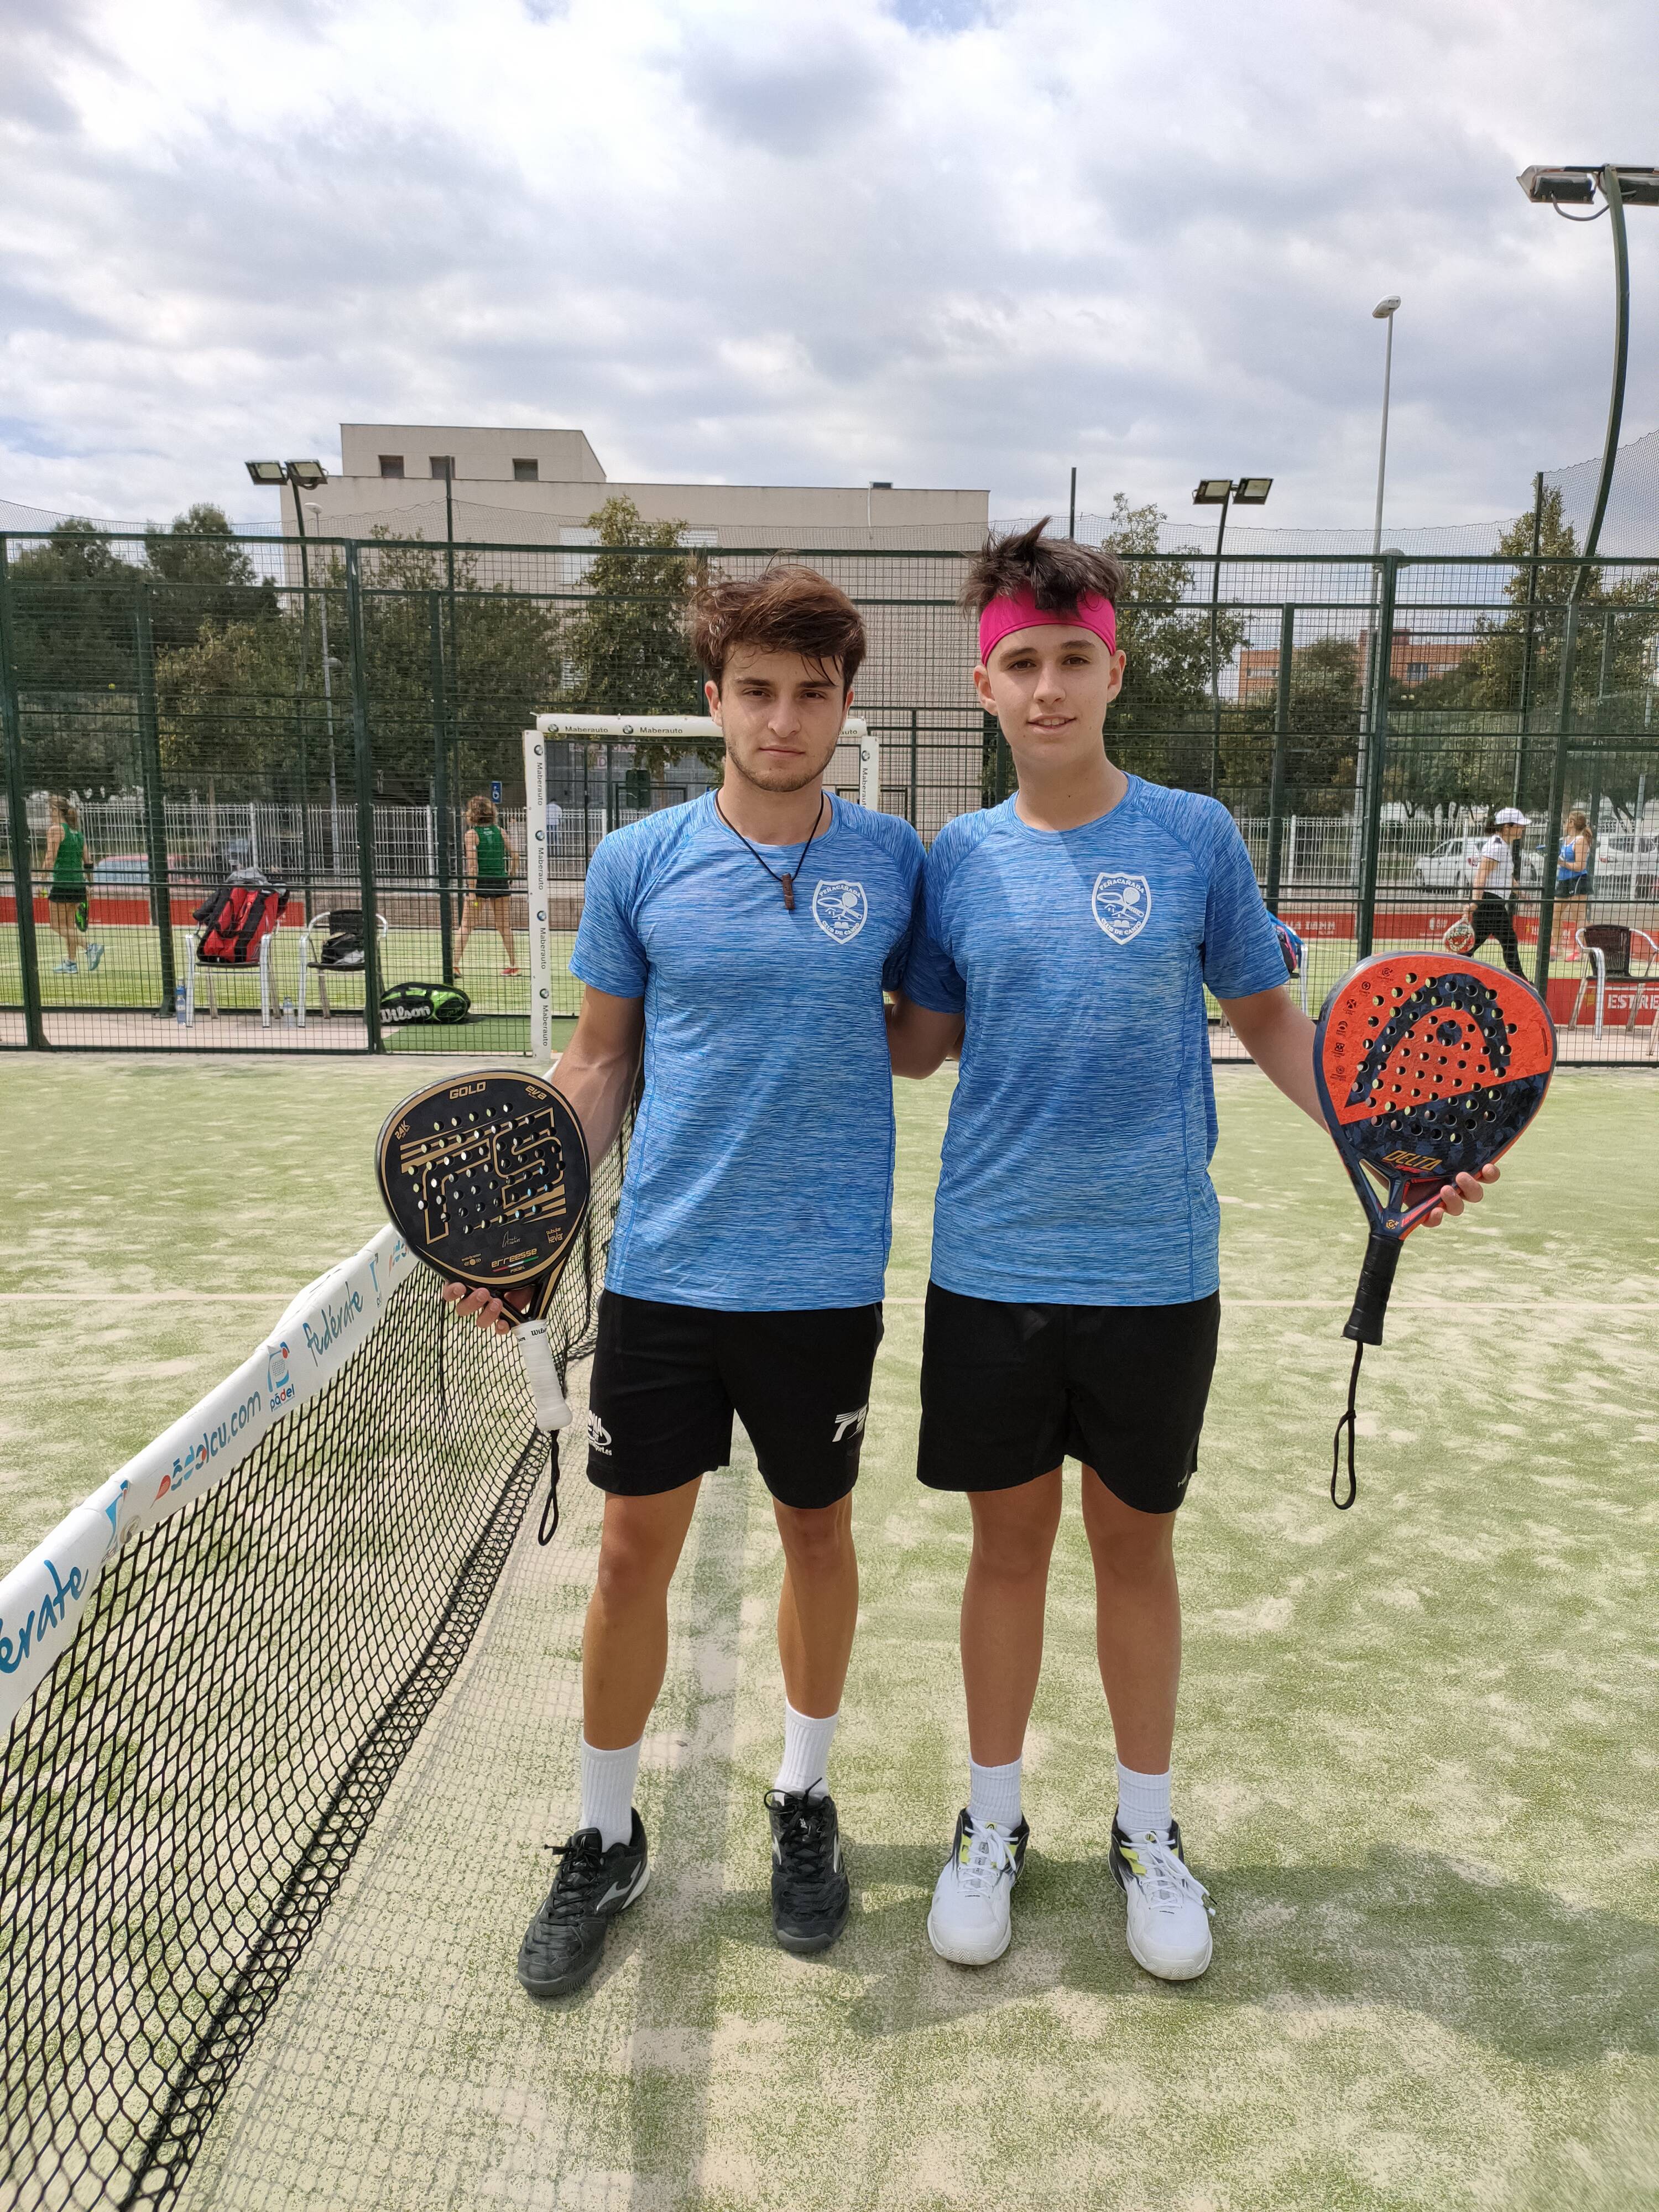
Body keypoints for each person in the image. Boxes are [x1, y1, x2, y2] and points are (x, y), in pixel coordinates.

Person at [886, 520, 1499, 1984]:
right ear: (984, 686)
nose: (1047, 687)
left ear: (1115, 672)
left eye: (1072, 659)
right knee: (1006, 1553)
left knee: (1136, 1550)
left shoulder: (1193, 836)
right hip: (993, 1265)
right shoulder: (956, 858)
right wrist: (779, 983)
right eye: (1020, 665)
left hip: (1157, 1269)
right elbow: (916, 1047)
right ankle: (991, 1822)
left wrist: (1389, 1141)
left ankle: (1148, 1833)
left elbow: (1274, 1020)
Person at [447, 567, 924, 1999]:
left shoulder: (896, 862)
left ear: (844, 704)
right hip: (664, 1275)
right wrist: (528, 1229)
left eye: (811, 693)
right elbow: (600, 1060)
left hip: (823, 1281)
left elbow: (925, 1035)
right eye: (756, 691)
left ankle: (803, 1798)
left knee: (817, 1535)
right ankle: (605, 1836)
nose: (783, 719)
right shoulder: (637, 861)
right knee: (626, 1557)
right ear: (714, 699)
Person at [456, 795, 520, 974]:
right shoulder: (500, 831)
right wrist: (510, 876)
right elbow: (515, 856)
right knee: (504, 926)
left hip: (481, 883)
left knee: (466, 925)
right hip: (500, 883)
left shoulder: (472, 834)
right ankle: (514, 965)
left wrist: (472, 892)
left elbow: (472, 865)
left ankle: (454, 965)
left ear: (473, 814)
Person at [1464, 807, 1527, 977]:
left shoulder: (1502, 845)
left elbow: (1506, 876)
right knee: (1509, 940)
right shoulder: (1497, 846)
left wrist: (1521, 893)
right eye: (1519, 826)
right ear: (1507, 827)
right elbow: (1481, 875)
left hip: (1492, 901)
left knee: (1472, 945)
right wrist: (1475, 902)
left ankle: (1452, 972)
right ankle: (1522, 981)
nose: (1522, 829)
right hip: (1490, 902)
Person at [43, 796, 102, 974]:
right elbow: (88, 862)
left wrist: (39, 881)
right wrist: (89, 884)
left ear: (56, 811)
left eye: (51, 809)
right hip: (79, 885)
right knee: (69, 926)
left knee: (55, 925)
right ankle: (71, 962)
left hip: (63, 883)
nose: (49, 813)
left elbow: (50, 858)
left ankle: (90, 947)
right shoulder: (78, 834)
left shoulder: (56, 830)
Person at [1552, 807, 1592, 958]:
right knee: (1555, 914)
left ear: (1572, 823)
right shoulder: (1566, 840)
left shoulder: (1581, 841)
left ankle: (1581, 951)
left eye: (1566, 822)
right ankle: (1557, 948)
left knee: (1579, 916)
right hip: (1563, 880)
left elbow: (1580, 866)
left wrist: (1561, 863)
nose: (1564, 824)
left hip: (1577, 881)